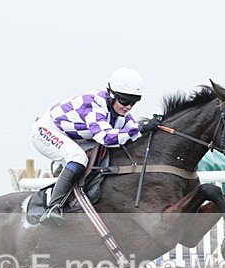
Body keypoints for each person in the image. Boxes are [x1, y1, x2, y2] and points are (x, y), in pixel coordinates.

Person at [29, 67, 158, 223]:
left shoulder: (122, 114)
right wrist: (140, 128)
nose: (129, 106)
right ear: (111, 95)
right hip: (47, 130)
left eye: (134, 102)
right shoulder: (94, 103)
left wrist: (151, 128)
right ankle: (53, 207)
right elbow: (106, 137)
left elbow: (133, 136)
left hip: (76, 137)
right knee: (78, 158)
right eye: (125, 101)